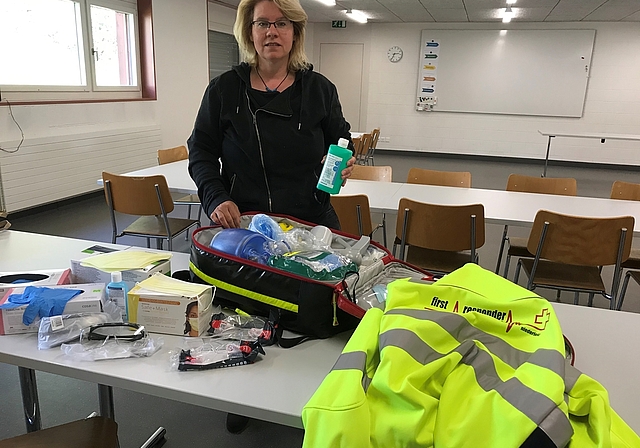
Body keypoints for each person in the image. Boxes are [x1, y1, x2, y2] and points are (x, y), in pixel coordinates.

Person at [187, 0, 355, 231]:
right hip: (244, 222)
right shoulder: (223, 89)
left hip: (310, 221)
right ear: (250, 31)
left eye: (282, 23)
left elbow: (341, 139)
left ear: (295, 32)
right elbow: (201, 150)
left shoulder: (320, 90)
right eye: (263, 23)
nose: (271, 32)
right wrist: (216, 196)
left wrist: (345, 161)